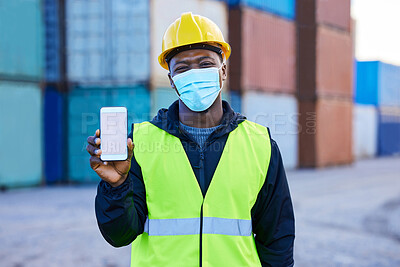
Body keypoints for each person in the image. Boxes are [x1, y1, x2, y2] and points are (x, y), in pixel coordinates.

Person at [87, 12, 295, 267]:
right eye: (183, 68)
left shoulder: (260, 144)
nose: (194, 73)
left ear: (223, 71)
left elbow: (277, 240)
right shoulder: (139, 143)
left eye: (205, 63)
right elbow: (120, 235)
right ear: (172, 81)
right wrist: (116, 186)